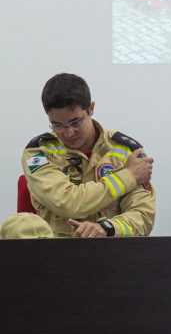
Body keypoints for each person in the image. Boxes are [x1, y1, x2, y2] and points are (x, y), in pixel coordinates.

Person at [1, 74, 155, 239]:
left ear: (91, 108)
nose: (68, 133)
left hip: (113, 252)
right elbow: (69, 204)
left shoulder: (127, 151)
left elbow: (143, 217)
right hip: (56, 256)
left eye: (76, 123)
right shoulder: (37, 153)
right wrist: (128, 176)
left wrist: (107, 227)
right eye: (57, 125)